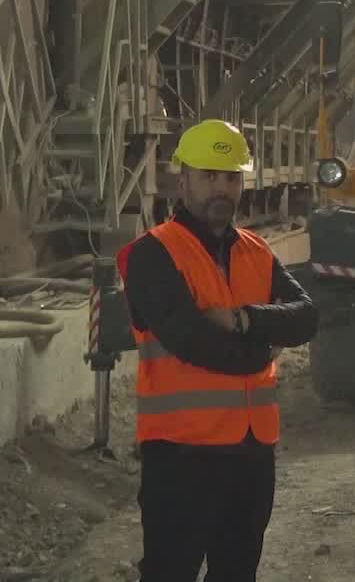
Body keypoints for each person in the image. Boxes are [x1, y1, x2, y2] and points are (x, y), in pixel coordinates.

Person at [118, 119, 320, 582]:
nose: (221, 188)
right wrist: (259, 354)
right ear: (182, 178)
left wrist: (245, 319)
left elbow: (307, 316)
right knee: (171, 572)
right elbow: (190, 340)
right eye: (209, 175)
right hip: (181, 454)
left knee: (237, 571)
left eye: (231, 177)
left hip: (251, 453)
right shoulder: (152, 253)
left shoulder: (256, 250)